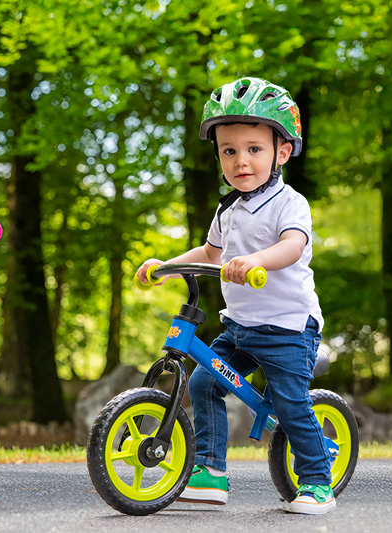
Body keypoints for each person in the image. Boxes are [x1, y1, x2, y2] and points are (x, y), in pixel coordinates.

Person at [136, 77, 334, 515]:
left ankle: (319, 481)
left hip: (287, 327)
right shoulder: (229, 208)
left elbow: (292, 246)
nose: (241, 160)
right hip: (241, 326)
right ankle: (210, 472)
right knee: (205, 382)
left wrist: (257, 261)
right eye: (229, 150)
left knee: (288, 400)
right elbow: (210, 252)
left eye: (254, 149)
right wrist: (166, 266)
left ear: (282, 152)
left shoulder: (290, 203)